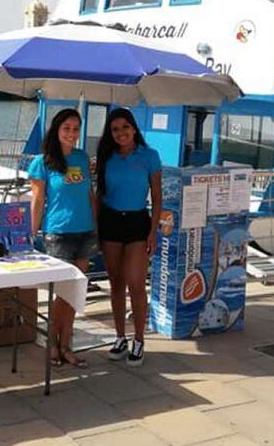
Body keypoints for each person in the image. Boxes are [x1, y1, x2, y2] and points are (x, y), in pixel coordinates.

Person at [28, 108, 98, 368]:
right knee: (61, 294)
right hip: (58, 234)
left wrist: (97, 226)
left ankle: (67, 345)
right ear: (57, 130)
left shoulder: (81, 158)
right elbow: (37, 201)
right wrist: (29, 236)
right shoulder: (42, 162)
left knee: (74, 292)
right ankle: (52, 345)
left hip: (85, 233)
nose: (71, 133)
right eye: (66, 128)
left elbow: (89, 195)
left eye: (76, 129)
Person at [95, 108, 162, 367]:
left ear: (134, 128)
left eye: (125, 127)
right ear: (110, 134)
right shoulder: (106, 158)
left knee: (136, 283)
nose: (121, 132)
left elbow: (157, 197)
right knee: (116, 283)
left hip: (137, 223)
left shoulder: (150, 156)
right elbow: (100, 196)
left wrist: (153, 231)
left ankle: (140, 339)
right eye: (115, 129)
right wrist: (97, 230)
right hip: (110, 222)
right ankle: (120, 336)